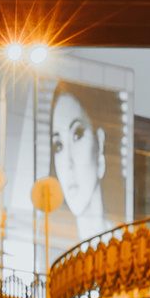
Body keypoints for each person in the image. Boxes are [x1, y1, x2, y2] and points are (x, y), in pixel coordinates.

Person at [50, 84, 110, 241]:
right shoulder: (53, 257)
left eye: (77, 135)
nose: (67, 163)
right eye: (59, 146)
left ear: (100, 143)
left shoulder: (128, 247)